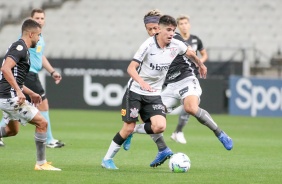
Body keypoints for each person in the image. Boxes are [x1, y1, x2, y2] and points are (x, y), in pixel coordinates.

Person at [101, 14, 206, 170]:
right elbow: (131, 68)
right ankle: (107, 159)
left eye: (173, 30)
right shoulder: (147, 45)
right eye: (168, 30)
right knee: (128, 127)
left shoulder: (176, 44)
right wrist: (142, 82)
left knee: (159, 126)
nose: (171, 33)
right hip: (135, 91)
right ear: (160, 30)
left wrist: (200, 64)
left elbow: (190, 53)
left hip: (154, 94)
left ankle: (135, 134)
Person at [123, 12, 233, 155]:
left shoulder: (174, 38)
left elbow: (190, 52)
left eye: (155, 28)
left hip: (186, 79)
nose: (152, 32)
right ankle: (154, 144)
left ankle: (220, 133)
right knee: (149, 117)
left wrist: (200, 64)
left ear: (161, 27)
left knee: (190, 107)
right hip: (170, 87)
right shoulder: (150, 45)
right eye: (149, 29)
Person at [0, 19, 61, 171]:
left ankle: (41, 164)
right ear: (31, 34)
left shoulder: (22, 49)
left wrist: (31, 92)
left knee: (11, 131)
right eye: (38, 36)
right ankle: (41, 164)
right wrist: (19, 92)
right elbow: (6, 69)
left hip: (7, 95)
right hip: (10, 97)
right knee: (42, 123)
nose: (39, 39)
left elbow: (15, 78)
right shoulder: (20, 47)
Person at [170, 15, 208, 144]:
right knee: (188, 105)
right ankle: (177, 131)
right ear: (178, 26)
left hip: (191, 75)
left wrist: (199, 63)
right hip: (175, 77)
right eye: (181, 24)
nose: (184, 25)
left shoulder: (196, 40)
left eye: (186, 23)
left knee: (190, 105)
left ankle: (178, 131)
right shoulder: (175, 39)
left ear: (189, 25)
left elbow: (204, 54)